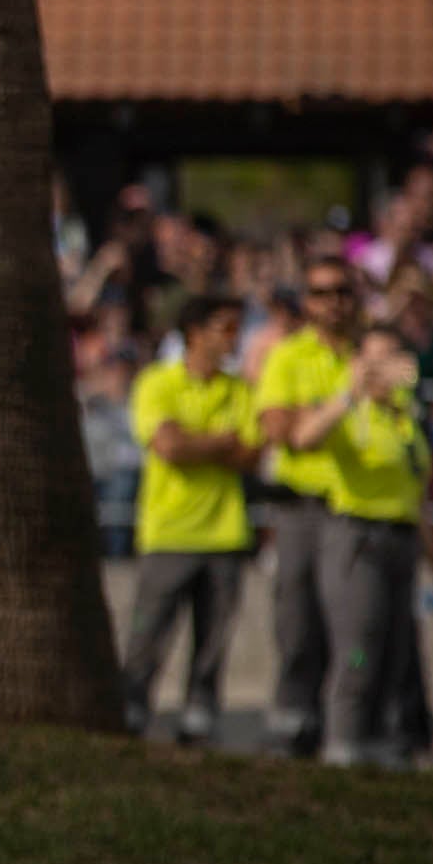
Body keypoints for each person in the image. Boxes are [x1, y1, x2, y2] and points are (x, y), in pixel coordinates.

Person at [257, 257, 433, 769]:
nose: (333, 302)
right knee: (304, 628)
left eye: (342, 291)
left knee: (387, 640)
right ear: (306, 300)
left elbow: (414, 472)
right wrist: (347, 394)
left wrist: (386, 380)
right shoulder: (291, 357)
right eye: (320, 292)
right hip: (312, 510)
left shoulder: (371, 352)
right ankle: (302, 733)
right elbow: (286, 433)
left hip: (376, 515)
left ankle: (394, 739)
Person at [121, 292, 262, 744]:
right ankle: (133, 709)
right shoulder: (156, 383)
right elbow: (168, 447)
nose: (234, 337)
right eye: (225, 327)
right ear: (195, 333)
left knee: (212, 643)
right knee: (147, 636)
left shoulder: (238, 389)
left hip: (225, 535)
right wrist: (218, 443)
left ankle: (199, 718)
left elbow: (249, 455)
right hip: (168, 533)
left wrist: (198, 443)